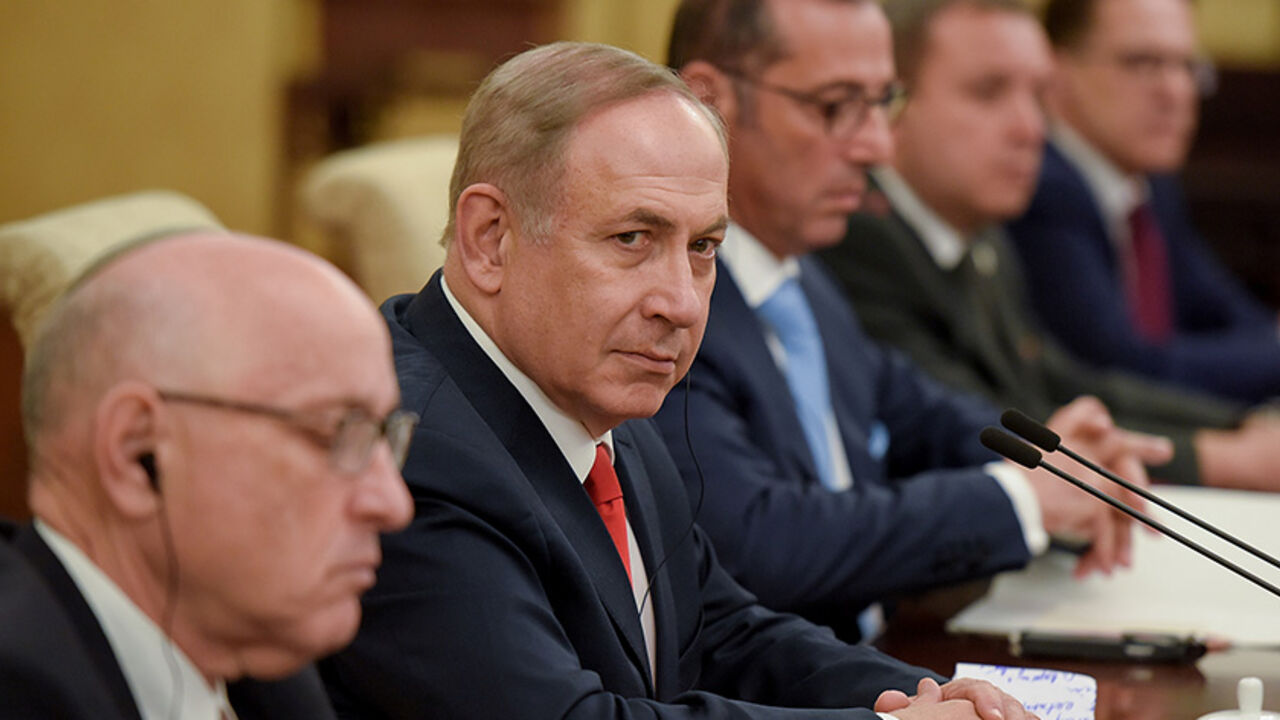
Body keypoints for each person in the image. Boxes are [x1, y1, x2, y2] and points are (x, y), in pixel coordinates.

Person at [320, 40, 1036, 720]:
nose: (683, 303)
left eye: (702, 247)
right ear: (489, 239)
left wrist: (924, 695)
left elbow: (720, 632)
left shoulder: (590, 392)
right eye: (632, 239)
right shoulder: (413, 452)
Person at [655, 0, 1164, 642]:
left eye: (883, 102)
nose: (876, 144)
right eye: (836, 105)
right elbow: (756, 542)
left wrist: (1057, 460)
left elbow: (923, 413)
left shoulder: (803, 275)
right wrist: (1023, 501)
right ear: (710, 102)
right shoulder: (667, 305)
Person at [818, 0, 1280, 493]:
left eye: (1038, 97)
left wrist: (1238, 428)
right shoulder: (857, 241)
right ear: (891, 104)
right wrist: (1220, 459)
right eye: (989, 92)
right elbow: (977, 428)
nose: (1030, 129)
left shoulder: (982, 235)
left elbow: (1063, 384)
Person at [1, 231, 415, 719]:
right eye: (337, 432)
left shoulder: (258, 662)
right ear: (138, 456)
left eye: (382, 437)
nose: (394, 505)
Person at [1005, 0, 1280, 404]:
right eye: (1143, 63)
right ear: (1058, 71)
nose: (1175, 92)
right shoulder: (1040, 187)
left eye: (1186, 66)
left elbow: (1218, 309)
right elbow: (1124, 365)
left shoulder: (1149, 182)